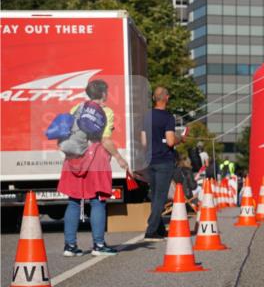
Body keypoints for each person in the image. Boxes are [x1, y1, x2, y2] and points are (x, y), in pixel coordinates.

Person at [58, 79, 131, 256]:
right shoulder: (106, 112)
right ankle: (98, 245)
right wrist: (119, 158)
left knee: (74, 201)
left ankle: (70, 246)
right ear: (104, 94)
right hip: (95, 159)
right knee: (98, 201)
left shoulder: (77, 108)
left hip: (74, 158)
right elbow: (105, 140)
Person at [143, 86, 182, 241]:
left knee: (155, 196)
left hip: (149, 160)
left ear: (154, 98)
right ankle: (150, 229)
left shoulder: (146, 116)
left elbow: (144, 141)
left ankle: (159, 229)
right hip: (164, 161)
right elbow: (171, 141)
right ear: (167, 97)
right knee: (160, 197)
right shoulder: (168, 117)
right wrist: (181, 138)